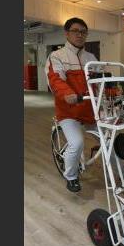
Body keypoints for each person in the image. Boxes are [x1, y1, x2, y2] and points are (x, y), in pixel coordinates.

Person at [45, 17, 97, 193]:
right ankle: (71, 176)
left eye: (83, 32)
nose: (80, 35)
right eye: (76, 31)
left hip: (90, 110)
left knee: (108, 140)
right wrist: (68, 94)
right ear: (66, 33)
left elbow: (99, 82)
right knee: (76, 143)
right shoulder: (57, 56)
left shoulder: (91, 58)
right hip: (68, 111)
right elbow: (56, 80)